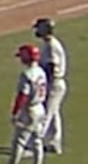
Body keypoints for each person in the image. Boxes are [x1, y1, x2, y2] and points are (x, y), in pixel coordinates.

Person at [35, 18, 69, 154]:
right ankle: (55, 143)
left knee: (46, 114)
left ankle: (35, 143)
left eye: (39, 28)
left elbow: (51, 66)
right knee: (54, 113)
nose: (36, 31)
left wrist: (44, 86)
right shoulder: (48, 44)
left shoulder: (51, 46)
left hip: (53, 83)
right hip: (56, 83)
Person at [12, 43, 50, 164]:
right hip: (40, 108)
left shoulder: (27, 74)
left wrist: (15, 112)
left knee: (20, 141)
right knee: (37, 140)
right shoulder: (41, 71)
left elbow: (23, 95)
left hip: (29, 111)